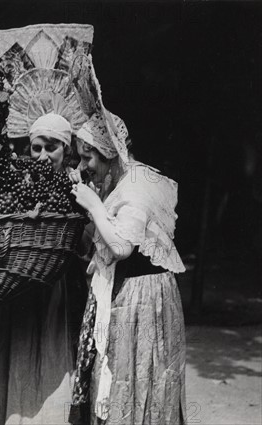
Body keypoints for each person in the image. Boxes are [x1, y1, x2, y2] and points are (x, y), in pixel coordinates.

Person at [0, 112, 87, 425]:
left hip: (55, 290)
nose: (43, 156)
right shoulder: (15, 179)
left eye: (52, 147)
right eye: (36, 148)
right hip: (14, 286)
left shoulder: (77, 185)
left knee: (49, 362)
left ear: (67, 149)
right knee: (9, 361)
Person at [68, 111, 186, 424]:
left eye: (87, 158)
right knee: (120, 376)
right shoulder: (119, 179)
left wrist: (93, 206)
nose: (84, 167)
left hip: (143, 298)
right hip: (126, 291)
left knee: (137, 377)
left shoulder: (136, 186)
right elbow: (104, 240)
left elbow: (121, 247)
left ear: (107, 152)